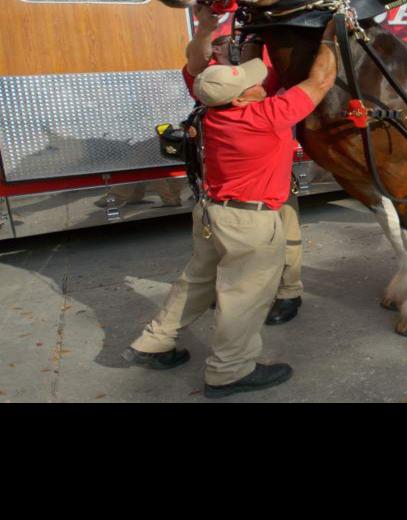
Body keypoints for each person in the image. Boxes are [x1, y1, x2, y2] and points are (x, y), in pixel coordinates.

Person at [122, 20, 338, 399]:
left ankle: (154, 342)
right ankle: (229, 371)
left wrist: (235, 35)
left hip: (212, 213)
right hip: (248, 222)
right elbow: (319, 82)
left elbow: (201, 68)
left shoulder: (210, 110)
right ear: (241, 98)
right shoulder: (265, 117)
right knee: (245, 296)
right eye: (252, 83)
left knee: (197, 282)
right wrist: (335, 35)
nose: (261, 83)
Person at [183, 4, 304, 326]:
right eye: (220, 47)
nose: (227, 50)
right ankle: (232, 293)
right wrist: (206, 29)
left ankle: (289, 292)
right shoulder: (210, 82)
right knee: (223, 247)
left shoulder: (257, 78)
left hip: (271, 179)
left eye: (232, 46)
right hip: (223, 186)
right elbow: (195, 60)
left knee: (287, 238)